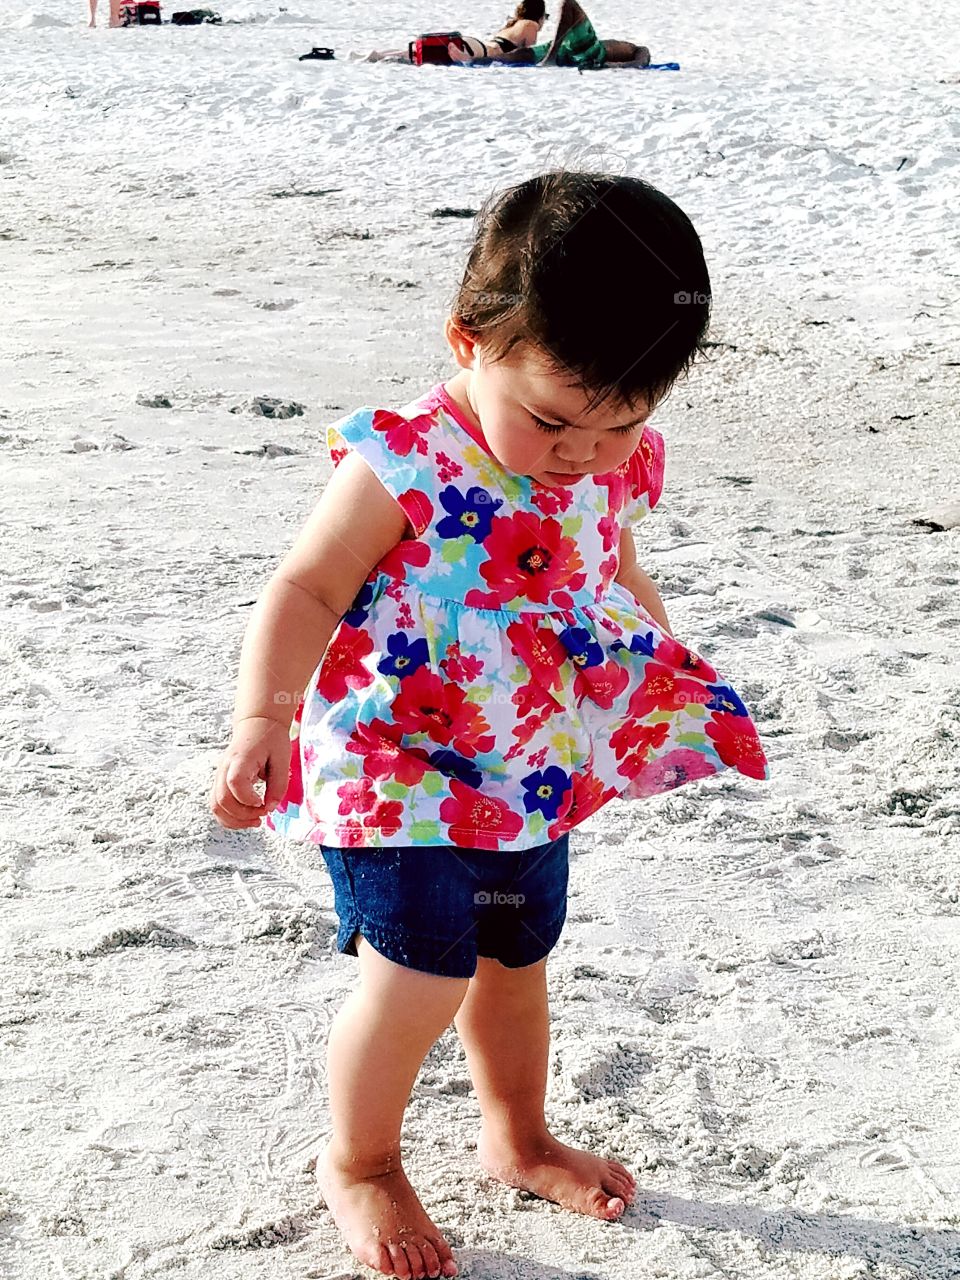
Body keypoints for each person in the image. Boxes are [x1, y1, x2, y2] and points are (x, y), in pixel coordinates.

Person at [210, 170, 769, 1280]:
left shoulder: (607, 461)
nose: (585, 455)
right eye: (555, 421)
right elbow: (306, 588)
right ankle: (360, 1157)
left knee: (516, 952)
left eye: (623, 427)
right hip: (393, 766)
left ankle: (515, 1135)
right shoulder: (407, 454)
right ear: (468, 341)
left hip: (526, 767)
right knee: (421, 970)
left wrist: (653, 671)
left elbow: (614, 572)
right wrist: (260, 717)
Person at [449, 0, 650, 69]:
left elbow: (643, 56)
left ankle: (552, 53)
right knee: (526, 54)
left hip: (590, 50)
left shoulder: (634, 48)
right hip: (572, 53)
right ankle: (473, 60)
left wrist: (619, 64)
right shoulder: (628, 48)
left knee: (567, 3)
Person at [358, 1, 547, 64]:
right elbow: (526, 53)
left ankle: (376, 55)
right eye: (545, 16)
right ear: (538, 14)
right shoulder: (530, 25)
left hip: (473, 43)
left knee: (423, 53)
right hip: (480, 50)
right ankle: (464, 58)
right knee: (431, 54)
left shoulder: (512, 25)